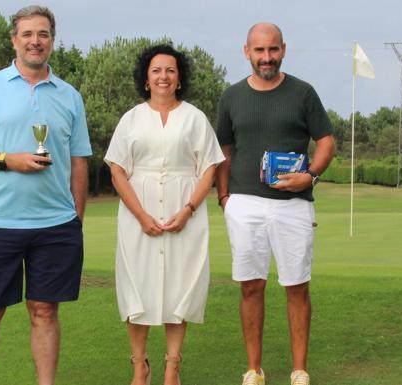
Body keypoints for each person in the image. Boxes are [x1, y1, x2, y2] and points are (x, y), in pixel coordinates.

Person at [0, 6, 91, 385]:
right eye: (27, 34)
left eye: (43, 34)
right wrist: (7, 159)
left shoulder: (69, 96)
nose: (35, 41)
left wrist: (76, 218)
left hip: (55, 226)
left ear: (53, 41)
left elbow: (79, 161)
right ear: (14, 40)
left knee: (44, 312)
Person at [215, 23, 335, 385]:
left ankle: (299, 370)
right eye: (259, 51)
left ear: (283, 49)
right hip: (244, 203)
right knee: (251, 286)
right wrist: (224, 198)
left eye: (273, 50)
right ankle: (254, 369)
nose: (266, 58)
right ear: (246, 51)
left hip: (293, 203)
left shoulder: (303, 93)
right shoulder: (231, 96)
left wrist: (310, 176)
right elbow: (223, 151)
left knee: (296, 285)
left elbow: (326, 142)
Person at [104, 44, 224, 385]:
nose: (163, 77)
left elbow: (209, 169)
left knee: (179, 287)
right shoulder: (131, 119)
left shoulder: (195, 118)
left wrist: (188, 210)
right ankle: (139, 365)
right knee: (137, 287)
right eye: (156, 70)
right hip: (136, 215)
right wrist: (141, 215)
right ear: (146, 78)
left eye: (170, 70)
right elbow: (117, 170)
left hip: (184, 212)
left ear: (179, 77)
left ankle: (173, 365)